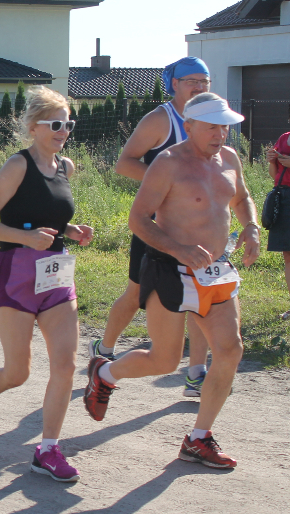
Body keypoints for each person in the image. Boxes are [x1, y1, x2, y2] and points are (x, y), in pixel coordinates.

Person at [85, 93, 259, 470]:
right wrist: (179, 249)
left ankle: (198, 439)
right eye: (212, 126)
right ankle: (105, 372)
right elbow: (139, 220)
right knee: (164, 360)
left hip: (215, 271)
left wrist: (252, 227)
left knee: (230, 350)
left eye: (224, 125)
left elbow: (243, 198)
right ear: (191, 124)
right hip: (170, 269)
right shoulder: (167, 163)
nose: (220, 133)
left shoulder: (229, 159)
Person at [0, 86, 93, 482]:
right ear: (34, 127)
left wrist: (71, 230)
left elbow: (46, 214)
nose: (63, 130)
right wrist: (26, 238)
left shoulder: (65, 167)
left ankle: (48, 449)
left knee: (66, 364)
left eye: (68, 123)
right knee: (18, 372)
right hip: (16, 271)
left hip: (55, 274)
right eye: (56, 124)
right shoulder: (17, 166)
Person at [90, 57, 212, 397]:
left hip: (198, 230)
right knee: (133, 296)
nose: (200, 86)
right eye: (192, 80)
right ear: (174, 83)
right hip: (156, 229)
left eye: (206, 80)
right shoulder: (161, 119)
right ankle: (104, 351)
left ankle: (196, 374)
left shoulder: (211, 118)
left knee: (201, 297)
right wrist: (168, 182)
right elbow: (124, 163)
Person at [266, 106, 290, 319]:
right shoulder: (284, 138)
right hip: (284, 199)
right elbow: (274, 174)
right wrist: (272, 160)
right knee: (288, 256)